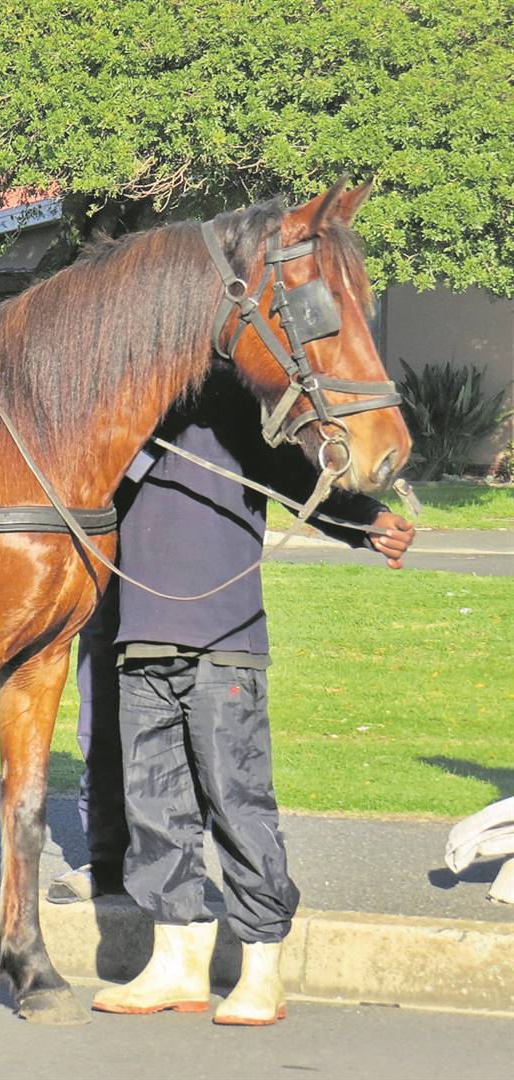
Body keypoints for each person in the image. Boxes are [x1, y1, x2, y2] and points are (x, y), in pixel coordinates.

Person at [58, 371, 414, 1025]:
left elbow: (300, 481)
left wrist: (370, 523)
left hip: (225, 643)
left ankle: (261, 970)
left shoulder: (238, 410)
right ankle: (176, 964)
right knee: (155, 812)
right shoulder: (122, 405)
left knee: (237, 805)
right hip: (139, 641)